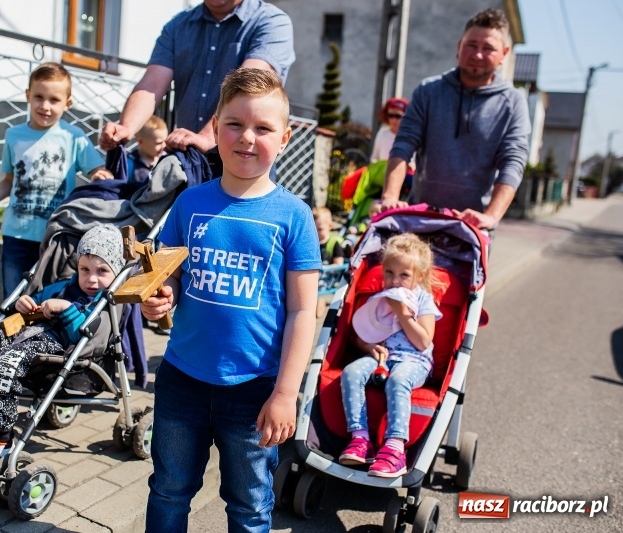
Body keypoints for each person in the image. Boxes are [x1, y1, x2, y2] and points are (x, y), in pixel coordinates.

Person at [140, 68, 320, 532]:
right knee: (168, 490)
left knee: (249, 506)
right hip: (182, 379)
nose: (247, 138)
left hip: (256, 389)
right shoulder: (189, 203)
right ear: (216, 127)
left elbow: (304, 311)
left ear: (285, 138)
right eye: (235, 124)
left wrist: (286, 393)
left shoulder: (294, 216)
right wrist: (160, 298)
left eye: (263, 128)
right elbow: (170, 276)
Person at [0, 224, 125, 487]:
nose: (91, 279)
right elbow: (34, 300)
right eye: (84, 269)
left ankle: (0, 440)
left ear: (117, 272)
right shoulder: (64, 286)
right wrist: (24, 304)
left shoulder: (105, 303)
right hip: (23, 337)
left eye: (102, 271)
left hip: (57, 351)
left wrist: (66, 309)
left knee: (7, 362)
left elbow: (85, 338)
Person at [0, 62, 112, 297]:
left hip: (55, 237)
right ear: (27, 96)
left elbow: (98, 170)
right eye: (39, 97)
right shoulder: (13, 135)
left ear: (67, 103)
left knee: (49, 299)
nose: (45, 106)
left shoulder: (73, 137)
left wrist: (98, 175)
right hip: (16, 235)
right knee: (13, 298)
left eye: (54, 100)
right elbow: (8, 181)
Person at [99, 0, 295, 176]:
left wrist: (207, 137)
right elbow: (152, 84)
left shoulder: (271, 22)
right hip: (191, 161)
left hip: (246, 160)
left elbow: (247, 89)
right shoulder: (177, 26)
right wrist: (126, 127)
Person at [379, 8, 531, 230]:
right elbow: (403, 144)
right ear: (459, 47)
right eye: (471, 45)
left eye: (488, 48)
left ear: (504, 54)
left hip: (473, 227)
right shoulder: (428, 91)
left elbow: (513, 162)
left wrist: (491, 217)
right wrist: (390, 196)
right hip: (419, 218)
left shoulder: (513, 102)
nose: (477, 54)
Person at [338, 233, 442, 478]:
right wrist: (368, 347)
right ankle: (360, 438)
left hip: (414, 361)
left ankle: (395, 447)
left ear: (419, 276)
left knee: (399, 380)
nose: (395, 281)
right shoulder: (379, 299)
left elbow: (423, 341)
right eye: (389, 273)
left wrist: (403, 313)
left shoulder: (423, 300)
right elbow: (361, 333)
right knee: (351, 372)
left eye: (404, 275)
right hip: (382, 358)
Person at [128, 115, 168, 183]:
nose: (164, 145)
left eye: (165, 141)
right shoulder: (130, 163)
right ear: (141, 141)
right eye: (158, 143)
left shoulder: (166, 159)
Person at [370, 97, 408, 163]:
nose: (394, 120)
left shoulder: (411, 136)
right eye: (390, 116)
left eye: (398, 116)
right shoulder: (382, 133)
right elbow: (374, 158)